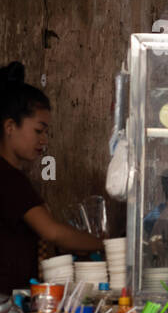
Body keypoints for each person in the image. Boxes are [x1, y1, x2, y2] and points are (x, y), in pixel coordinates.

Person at [0, 62, 104, 293]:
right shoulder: (8, 179)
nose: (44, 140)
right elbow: (52, 232)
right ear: (10, 126)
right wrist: (104, 244)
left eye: (46, 132)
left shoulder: (14, 177)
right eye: (39, 130)